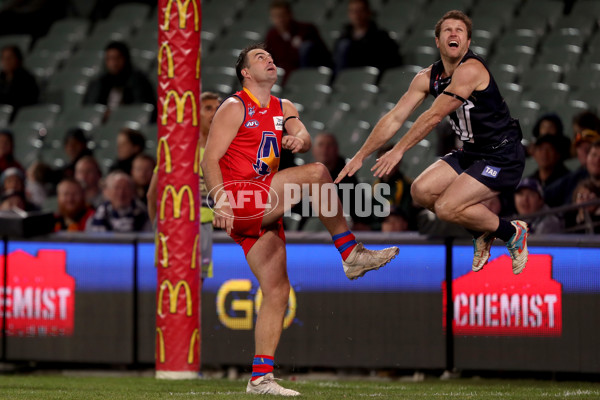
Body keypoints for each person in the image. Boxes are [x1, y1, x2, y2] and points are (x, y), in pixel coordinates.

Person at [201, 43, 398, 396]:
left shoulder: (283, 106)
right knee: (318, 173)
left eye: (271, 57)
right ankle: (350, 253)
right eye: (260, 58)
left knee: (277, 291)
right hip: (243, 197)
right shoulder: (234, 106)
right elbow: (209, 160)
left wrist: (298, 139)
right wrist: (221, 201)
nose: (269, 60)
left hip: (264, 203)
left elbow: (304, 137)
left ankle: (260, 378)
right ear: (245, 72)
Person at [336, 10, 529, 274]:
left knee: (447, 207)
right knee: (420, 191)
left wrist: (399, 150)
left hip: (502, 155)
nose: (453, 33)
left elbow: (435, 115)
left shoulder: (471, 69)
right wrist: (361, 154)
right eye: (447, 30)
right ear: (437, 41)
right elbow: (394, 117)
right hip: (472, 152)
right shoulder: (427, 77)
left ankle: (512, 232)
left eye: (459, 30)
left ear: (468, 42)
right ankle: (482, 232)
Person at [148, 91, 222, 278]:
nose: (215, 113)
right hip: (178, 229)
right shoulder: (178, 149)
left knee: (192, 291)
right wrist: (160, 231)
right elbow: (152, 194)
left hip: (207, 228)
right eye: (208, 108)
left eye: (217, 108)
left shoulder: (223, 151)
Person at [83, 41, 155, 120]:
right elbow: (89, 108)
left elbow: (140, 110)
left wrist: (117, 114)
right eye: (109, 59)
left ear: (125, 59)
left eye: (117, 58)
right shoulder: (99, 82)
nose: (113, 63)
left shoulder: (139, 81)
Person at [264, 0, 332, 81]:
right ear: (271, 18)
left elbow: (324, 55)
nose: (280, 19)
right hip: (286, 78)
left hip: (308, 73)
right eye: (276, 16)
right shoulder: (271, 36)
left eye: (282, 15)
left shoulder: (306, 30)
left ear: (290, 14)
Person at [333, 0, 401, 73]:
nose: (356, 15)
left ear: (368, 12)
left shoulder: (381, 38)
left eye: (360, 11)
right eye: (353, 11)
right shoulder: (344, 38)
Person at [544, 128, 600, 207]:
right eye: (579, 147)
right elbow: (545, 194)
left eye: (588, 147)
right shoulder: (574, 178)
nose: (584, 150)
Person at [86, 171, 150, 232]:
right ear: (107, 192)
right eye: (117, 188)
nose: (121, 193)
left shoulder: (144, 216)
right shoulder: (95, 218)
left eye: (125, 188)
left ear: (132, 192)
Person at [0, 45, 39, 116]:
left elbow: (23, 101)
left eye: (10, 58)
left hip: (20, 114)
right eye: (4, 58)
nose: (6, 61)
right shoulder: (1, 77)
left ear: (17, 59)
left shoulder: (26, 79)